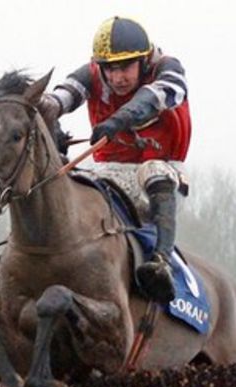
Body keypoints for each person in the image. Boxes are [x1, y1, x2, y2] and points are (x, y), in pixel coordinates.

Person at [38, 16, 191, 303]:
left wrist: (118, 120)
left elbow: (153, 98)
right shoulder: (92, 74)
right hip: (108, 172)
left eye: (125, 67)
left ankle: (161, 262)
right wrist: (46, 116)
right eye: (110, 69)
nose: (117, 77)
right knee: (64, 181)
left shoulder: (168, 70)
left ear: (144, 61)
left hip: (163, 171)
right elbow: (60, 97)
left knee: (153, 170)